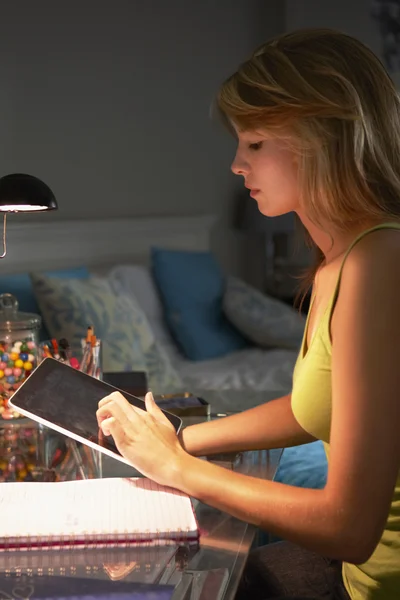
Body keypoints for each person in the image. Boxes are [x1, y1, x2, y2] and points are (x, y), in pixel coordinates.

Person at [96, 29, 400, 600]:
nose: (236, 165)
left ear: (324, 139)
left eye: (256, 143)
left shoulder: (379, 262)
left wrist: (179, 469)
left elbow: (350, 528)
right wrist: (185, 439)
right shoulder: (342, 257)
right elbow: (321, 405)